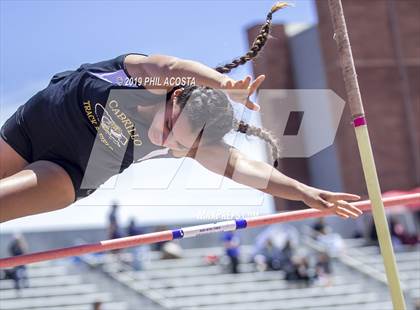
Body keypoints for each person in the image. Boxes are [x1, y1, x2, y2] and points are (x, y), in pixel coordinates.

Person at [0, 4, 363, 223]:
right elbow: (175, 64)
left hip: (68, 172)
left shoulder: (191, 142)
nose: (167, 141)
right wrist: (222, 84)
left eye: (181, 144)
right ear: (173, 96)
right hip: (32, 129)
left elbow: (247, 168)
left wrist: (303, 192)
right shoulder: (148, 78)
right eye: (172, 126)